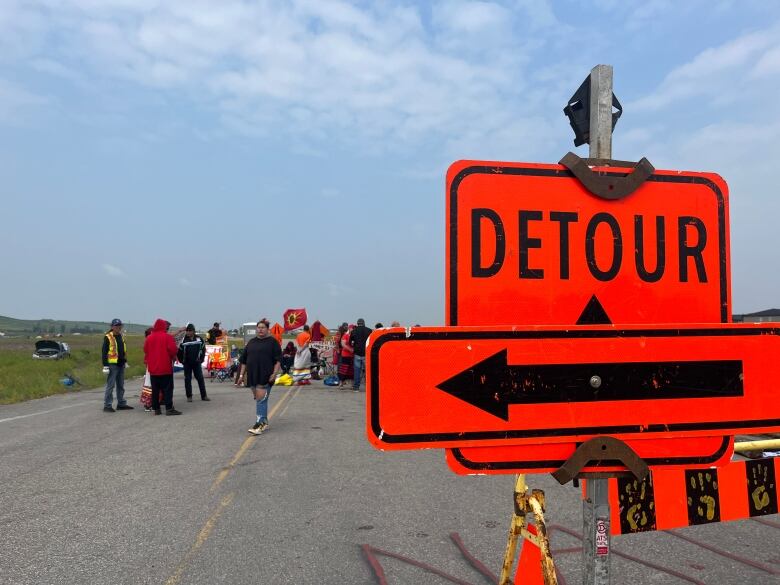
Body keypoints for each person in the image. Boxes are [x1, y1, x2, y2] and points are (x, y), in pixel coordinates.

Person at [238, 319, 281, 435]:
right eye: (259, 327)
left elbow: (278, 361)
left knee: (261, 400)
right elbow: (244, 361)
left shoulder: (273, 342)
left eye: (263, 327)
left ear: (267, 329)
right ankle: (264, 421)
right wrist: (241, 375)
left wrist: (275, 373)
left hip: (265, 376)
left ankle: (259, 424)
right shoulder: (251, 342)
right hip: (252, 376)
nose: (260, 329)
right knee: (259, 399)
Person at [144, 318, 182, 416]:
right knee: (168, 389)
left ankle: (156, 409)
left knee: (155, 390)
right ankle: (169, 408)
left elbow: (145, 350)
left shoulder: (149, 338)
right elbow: (173, 350)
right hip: (165, 368)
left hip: (153, 369)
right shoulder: (167, 337)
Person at [102, 318, 133, 412]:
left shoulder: (121, 336)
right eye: (116, 325)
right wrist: (105, 365)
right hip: (112, 364)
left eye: (120, 325)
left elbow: (123, 349)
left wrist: (125, 361)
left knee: (121, 385)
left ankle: (121, 404)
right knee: (110, 385)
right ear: (112, 326)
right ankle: (107, 405)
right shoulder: (108, 337)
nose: (118, 327)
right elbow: (104, 352)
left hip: (121, 364)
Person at [177, 324, 210, 402]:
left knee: (200, 379)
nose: (188, 332)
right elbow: (179, 352)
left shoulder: (199, 339)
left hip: (197, 363)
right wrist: (182, 361)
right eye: (187, 331)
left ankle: (204, 396)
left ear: (193, 331)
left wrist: (201, 359)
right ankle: (189, 396)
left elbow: (203, 349)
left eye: (190, 331)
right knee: (187, 380)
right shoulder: (183, 340)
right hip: (187, 363)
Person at [349, 318, 372, 392]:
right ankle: (369, 387)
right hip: (366, 353)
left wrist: (354, 346)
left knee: (357, 371)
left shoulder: (354, 331)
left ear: (357, 323)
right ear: (364, 323)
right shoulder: (369, 331)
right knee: (368, 371)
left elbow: (350, 342)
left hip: (357, 353)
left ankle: (356, 387)